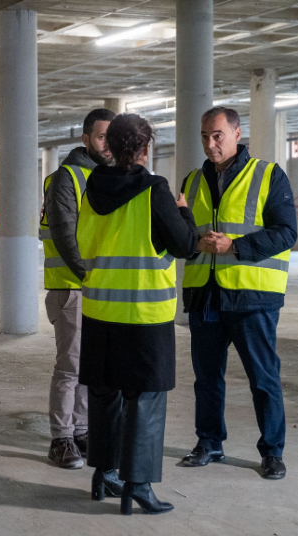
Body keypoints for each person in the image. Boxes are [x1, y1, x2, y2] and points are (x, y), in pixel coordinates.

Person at [77, 113, 198, 515]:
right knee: (145, 399)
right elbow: (184, 245)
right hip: (144, 314)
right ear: (146, 147)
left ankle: (104, 475)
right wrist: (184, 212)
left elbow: (82, 242)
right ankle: (139, 486)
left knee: (105, 394)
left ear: (109, 145)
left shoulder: (92, 188)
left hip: (100, 311)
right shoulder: (154, 189)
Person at [179, 106, 296, 480]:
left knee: (263, 377)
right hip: (206, 294)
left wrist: (234, 246)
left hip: (252, 296)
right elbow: (184, 236)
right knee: (206, 378)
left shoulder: (267, 175)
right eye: (204, 136)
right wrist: (193, 240)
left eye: (217, 135)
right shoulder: (192, 181)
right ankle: (209, 442)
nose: (210, 144)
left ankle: (272, 452)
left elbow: (286, 233)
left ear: (236, 134)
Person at [39, 108, 116, 469]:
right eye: (101, 137)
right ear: (86, 139)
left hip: (100, 289)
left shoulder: (109, 177)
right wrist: (90, 277)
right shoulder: (66, 177)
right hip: (72, 288)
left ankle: (82, 430)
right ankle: (61, 438)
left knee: (91, 367)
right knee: (70, 367)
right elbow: (66, 236)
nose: (108, 144)